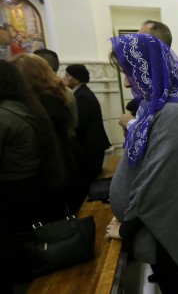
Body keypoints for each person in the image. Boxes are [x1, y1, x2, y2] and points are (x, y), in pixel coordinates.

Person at [106, 33, 178, 293]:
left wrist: (127, 228)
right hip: (154, 225)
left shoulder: (176, 114)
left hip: (168, 226)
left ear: (150, 68)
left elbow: (159, 183)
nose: (125, 82)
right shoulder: (156, 106)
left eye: (129, 72)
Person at [0, 60, 69, 291]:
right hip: (33, 187)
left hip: (14, 194)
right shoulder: (32, 107)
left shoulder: (6, 115)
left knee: (21, 257)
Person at [9, 54, 81, 211]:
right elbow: (72, 126)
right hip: (65, 165)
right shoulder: (61, 95)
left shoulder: (34, 104)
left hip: (45, 174)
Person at [64, 64, 111, 193]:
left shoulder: (82, 96)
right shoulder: (81, 93)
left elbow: (80, 124)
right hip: (91, 147)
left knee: (88, 186)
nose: (64, 78)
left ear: (76, 79)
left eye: (67, 75)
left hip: (89, 148)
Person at [119, 20, 173, 130]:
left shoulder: (173, 107)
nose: (126, 84)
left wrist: (130, 123)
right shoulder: (150, 95)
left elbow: (156, 138)